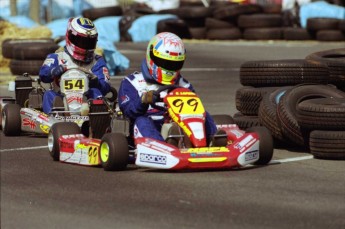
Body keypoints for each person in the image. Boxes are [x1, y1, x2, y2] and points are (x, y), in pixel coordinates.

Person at [118, 32, 217, 143]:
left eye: (174, 65)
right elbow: (127, 111)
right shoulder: (132, 82)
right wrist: (143, 101)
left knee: (204, 115)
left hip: (177, 124)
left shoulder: (184, 85)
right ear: (151, 57)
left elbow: (195, 109)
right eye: (164, 63)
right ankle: (160, 145)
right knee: (142, 121)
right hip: (147, 125)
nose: (169, 68)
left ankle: (214, 140)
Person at [39, 17, 111, 114]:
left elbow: (105, 87)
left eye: (89, 43)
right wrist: (52, 72)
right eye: (81, 41)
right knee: (48, 95)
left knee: (96, 93)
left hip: (86, 101)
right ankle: (54, 118)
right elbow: (43, 75)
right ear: (70, 36)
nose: (85, 46)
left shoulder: (97, 61)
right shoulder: (57, 57)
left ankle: (97, 120)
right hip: (61, 98)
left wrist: (95, 81)